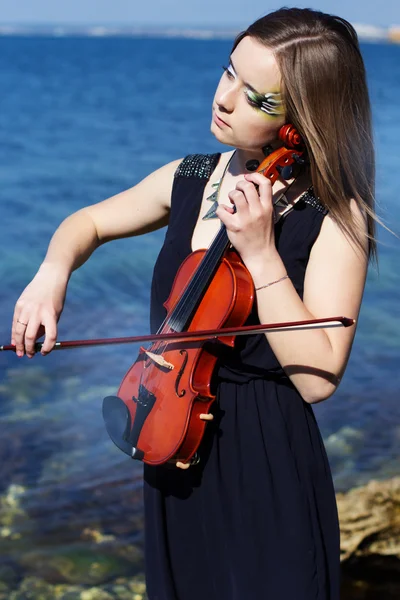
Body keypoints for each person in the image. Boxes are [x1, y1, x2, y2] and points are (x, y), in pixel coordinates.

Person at [11, 7, 376, 600]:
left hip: (264, 457)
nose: (225, 98)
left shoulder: (336, 217)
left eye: (258, 99)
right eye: (228, 72)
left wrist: (261, 256)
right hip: (170, 435)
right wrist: (53, 272)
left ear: (300, 124)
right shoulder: (191, 176)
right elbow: (89, 222)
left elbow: (320, 377)